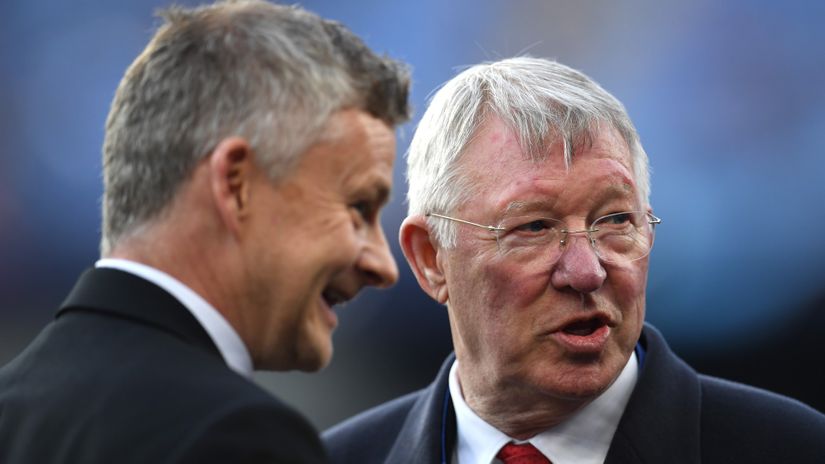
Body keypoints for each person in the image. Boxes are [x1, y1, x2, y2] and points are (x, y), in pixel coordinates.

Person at [322, 57, 825, 463]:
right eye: (535, 227)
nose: (587, 271)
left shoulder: (793, 449)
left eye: (615, 221)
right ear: (431, 258)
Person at [0, 1, 409, 462]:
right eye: (358, 208)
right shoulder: (237, 436)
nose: (383, 265)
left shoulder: (12, 407)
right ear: (236, 186)